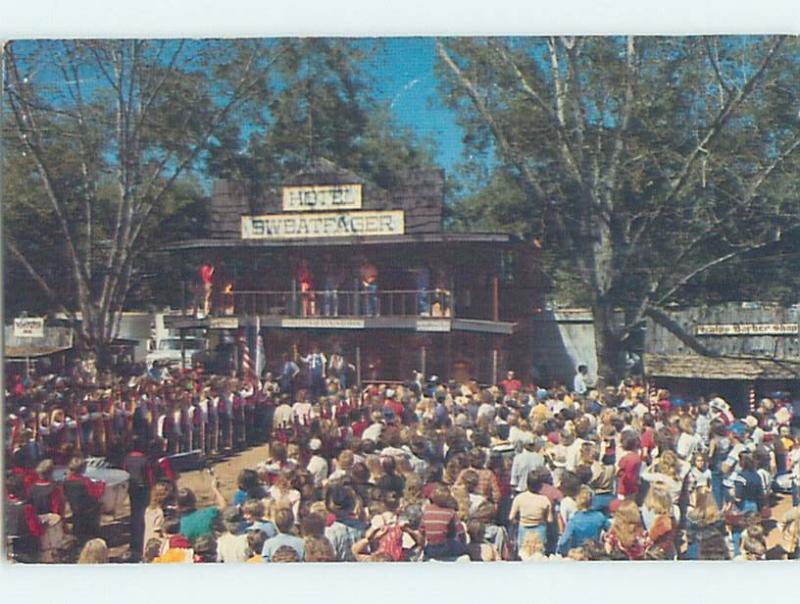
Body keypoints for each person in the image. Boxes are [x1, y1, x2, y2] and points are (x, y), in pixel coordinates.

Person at [123, 437, 155, 559]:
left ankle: (134, 542)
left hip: (133, 489)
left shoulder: (127, 459)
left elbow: (125, 472)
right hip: (143, 489)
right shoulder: (145, 460)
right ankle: (142, 540)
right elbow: (150, 476)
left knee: (134, 514)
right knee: (143, 515)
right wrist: (152, 488)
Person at [62, 456, 106, 543]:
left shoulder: (66, 481)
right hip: (89, 510)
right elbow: (97, 493)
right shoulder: (85, 481)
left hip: (75, 509)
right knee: (98, 505)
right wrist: (102, 483)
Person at [509, 471, 552, 555]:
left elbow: (511, 517)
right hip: (540, 530)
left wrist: (517, 522)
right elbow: (550, 520)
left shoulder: (519, 498)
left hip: (523, 530)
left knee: (523, 554)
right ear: (540, 485)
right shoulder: (545, 500)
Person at [556, 487, 607, 556]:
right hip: (595, 551)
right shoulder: (600, 517)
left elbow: (564, 540)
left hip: (579, 553)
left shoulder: (573, 520)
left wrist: (559, 551)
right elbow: (612, 528)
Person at [177, 474, 227, 544]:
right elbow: (223, 506)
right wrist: (215, 489)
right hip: (212, 548)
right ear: (194, 500)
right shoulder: (208, 513)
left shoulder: (178, 525)